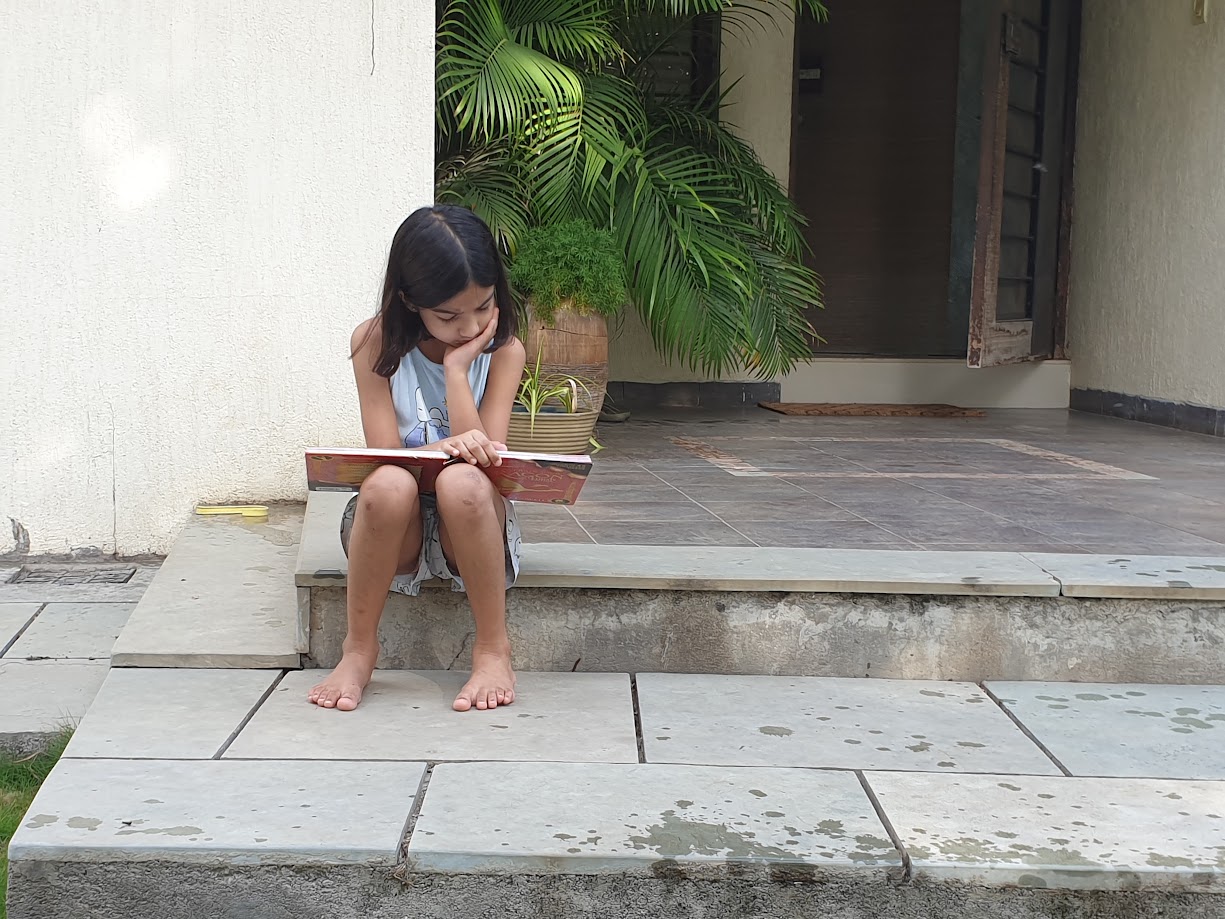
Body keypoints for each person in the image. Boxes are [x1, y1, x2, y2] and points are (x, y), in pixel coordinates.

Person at [309, 205, 526, 713]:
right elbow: (385, 453)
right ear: (410, 300)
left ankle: (494, 649)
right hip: (393, 521)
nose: (469, 327)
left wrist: (457, 371)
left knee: (464, 484)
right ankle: (359, 649)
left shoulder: (504, 350)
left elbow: (488, 462)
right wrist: (443, 448)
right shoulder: (374, 342)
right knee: (388, 483)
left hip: (471, 521)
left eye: (483, 307)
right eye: (448, 316)